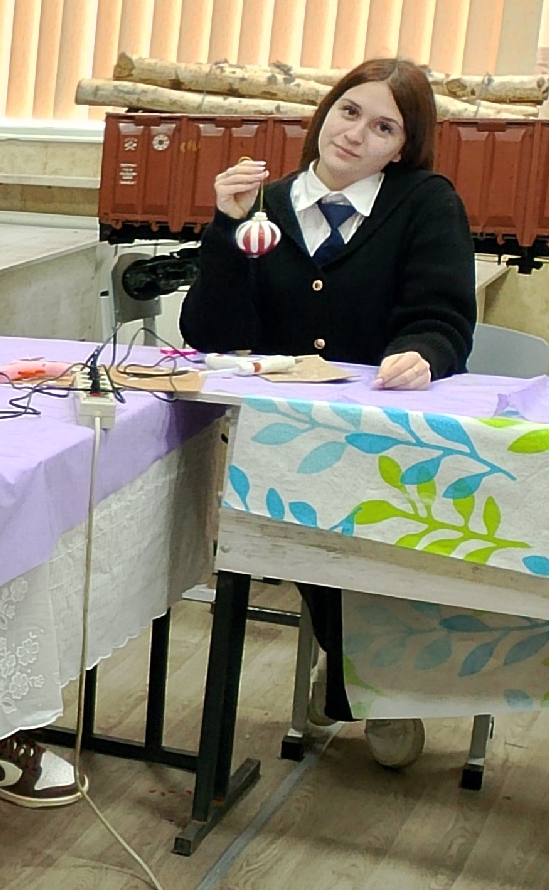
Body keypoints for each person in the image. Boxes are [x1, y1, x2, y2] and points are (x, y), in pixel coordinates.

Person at [183, 55, 477, 767]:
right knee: (306, 522)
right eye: (349, 112)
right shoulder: (265, 205)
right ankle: (361, 677)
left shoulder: (425, 203)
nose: (355, 134)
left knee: (376, 531)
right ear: (325, 113)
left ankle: (363, 676)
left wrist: (423, 353)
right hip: (283, 436)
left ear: (401, 148)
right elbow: (210, 334)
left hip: (383, 431)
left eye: (383, 128)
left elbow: (443, 318)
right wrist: (225, 228)